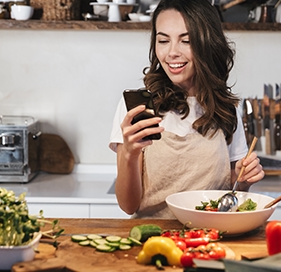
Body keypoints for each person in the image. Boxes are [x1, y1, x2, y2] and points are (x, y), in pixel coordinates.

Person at [109, 0, 264, 218]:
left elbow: (230, 196)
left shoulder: (225, 108)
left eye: (186, 41)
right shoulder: (139, 106)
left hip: (210, 241)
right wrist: (129, 154)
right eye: (163, 40)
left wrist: (243, 181)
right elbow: (128, 206)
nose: (172, 52)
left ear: (207, 43)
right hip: (152, 239)